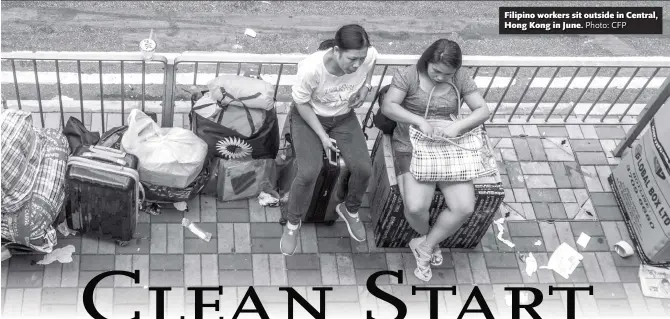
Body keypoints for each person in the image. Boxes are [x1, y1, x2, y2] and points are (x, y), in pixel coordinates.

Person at [381, 39, 490, 281]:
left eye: (447, 74)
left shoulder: (461, 78)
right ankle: (430, 239)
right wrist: (419, 121)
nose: (440, 77)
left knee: (464, 207)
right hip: (411, 144)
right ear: (427, 60)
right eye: (436, 71)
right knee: (416, 206)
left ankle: (426, 245)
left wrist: (458, 126)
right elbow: (388, 106)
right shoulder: (408, 76)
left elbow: (483, 110)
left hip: (448, 146)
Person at [280, 24, 378, 256]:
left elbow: (371, 65)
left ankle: (349, 209)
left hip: (343, 118)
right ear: (336, 50)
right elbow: (301, 104)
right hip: (309, 119)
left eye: (360, 59)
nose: (356, 65)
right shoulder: (311, 69)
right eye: (352, 59)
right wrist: (323, 137)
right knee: (308, 173)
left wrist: (365, 88)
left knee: (364, 169)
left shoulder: (369, 56)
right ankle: (292, 223)